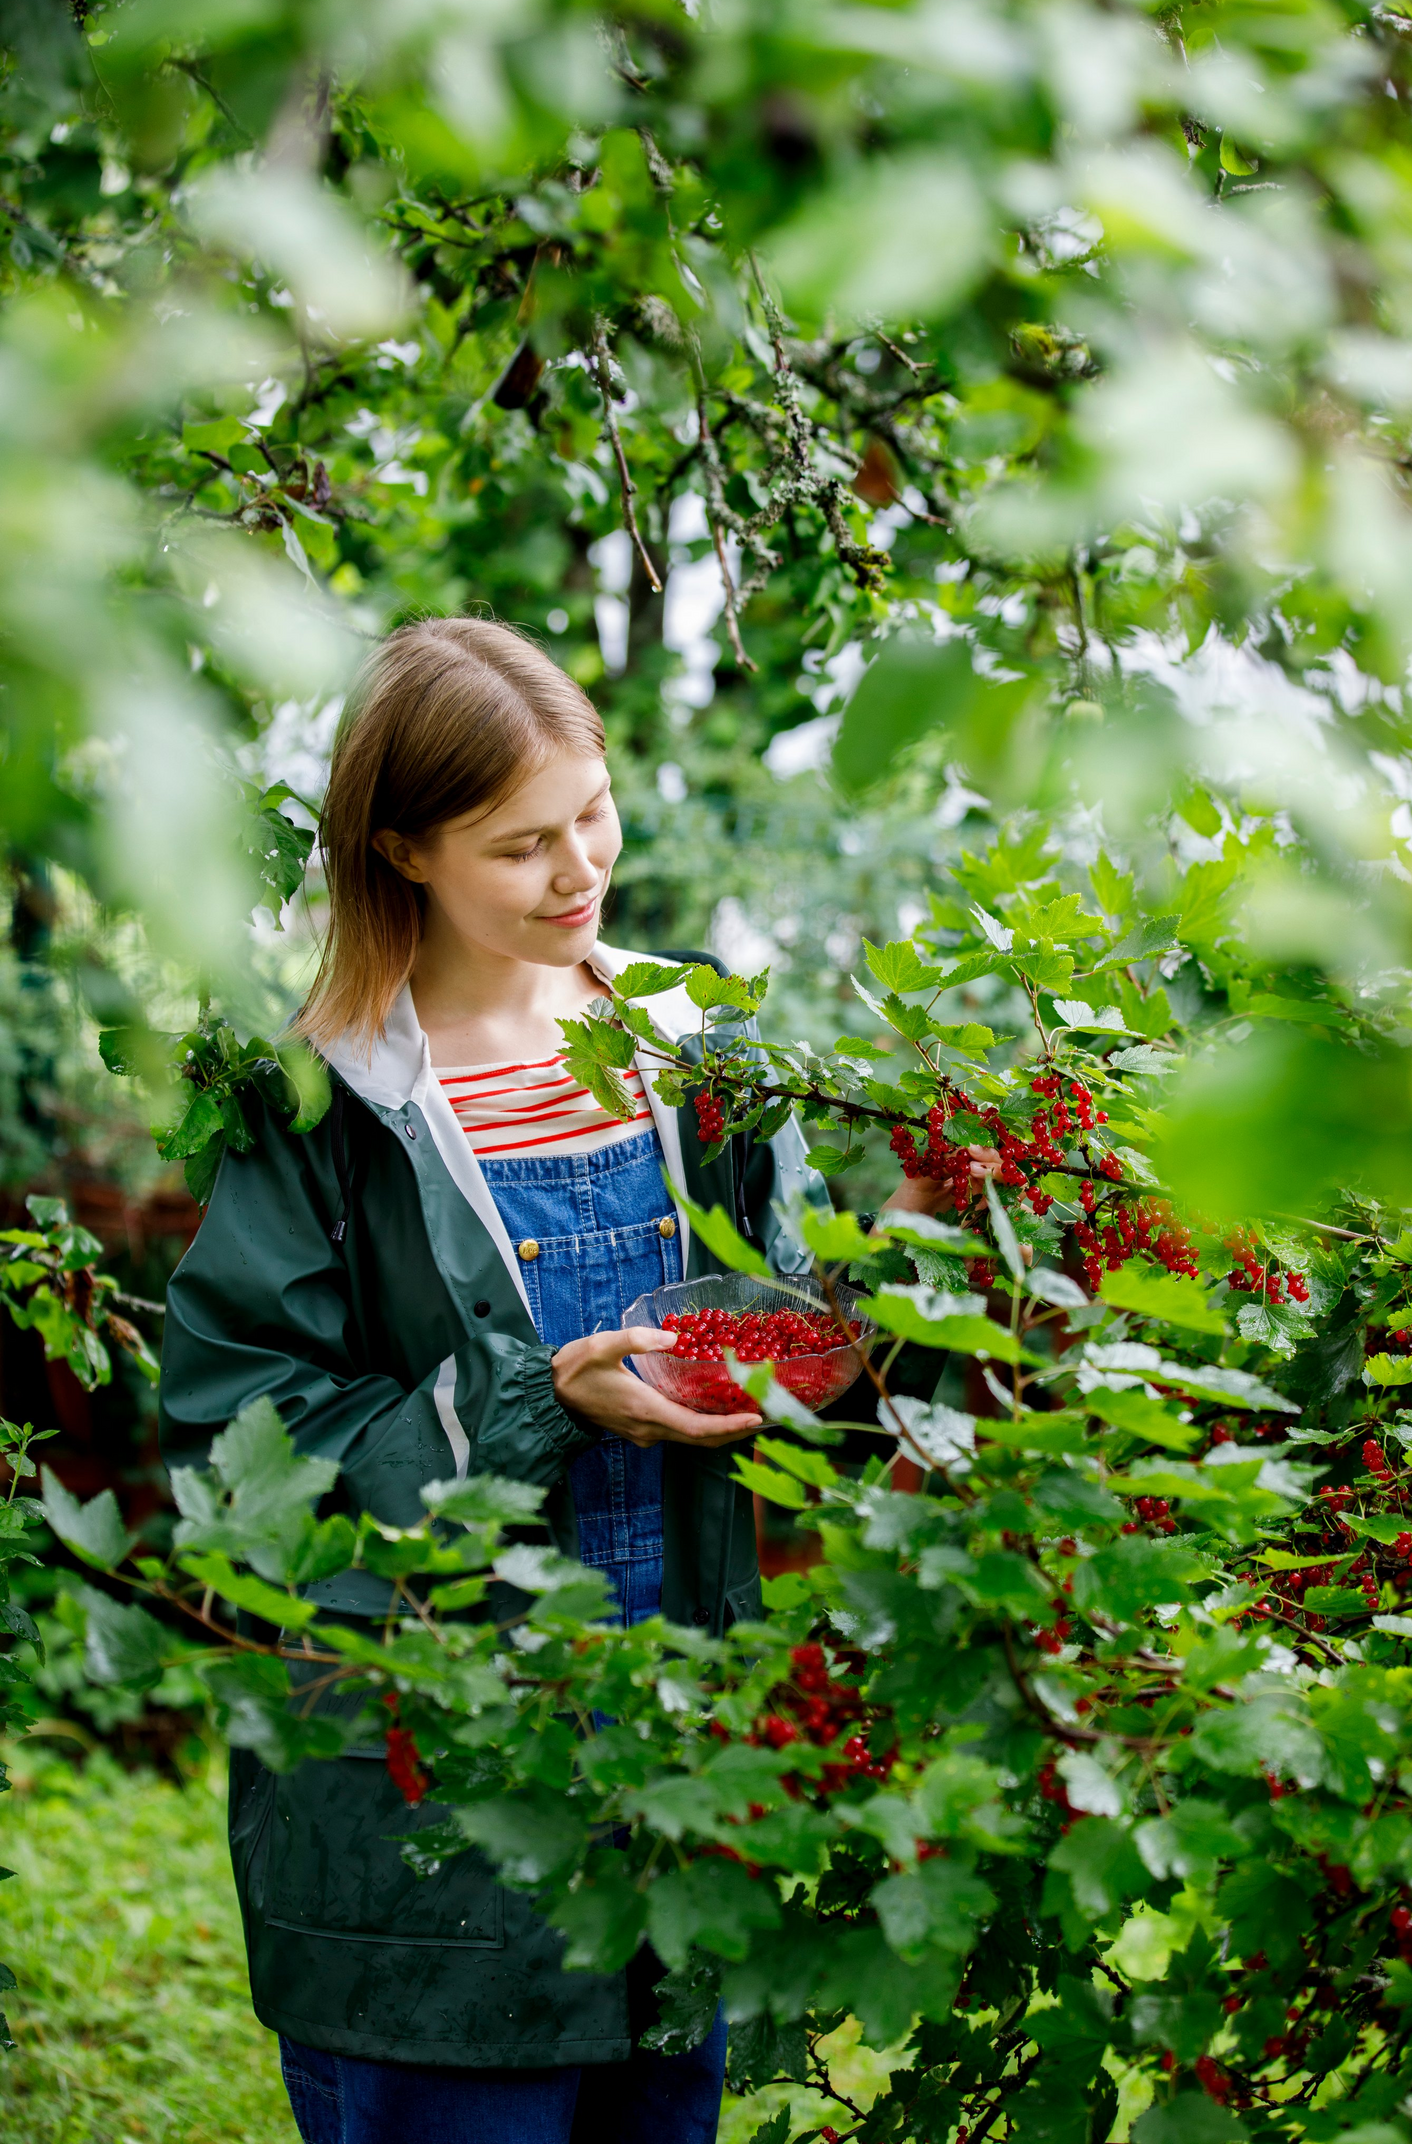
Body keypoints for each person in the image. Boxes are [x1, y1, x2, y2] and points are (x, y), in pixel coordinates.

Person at [159, 617, 987, 2144]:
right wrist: (539, 1400)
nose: (578, 869)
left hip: (674, 1767)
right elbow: (234, 1451)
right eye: (520, 843)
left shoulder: (696, 1050)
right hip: (432, 1796)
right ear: (403, 850)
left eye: (592, 813)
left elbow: (788, 1339)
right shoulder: (319, 1105)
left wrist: (913, 1290)